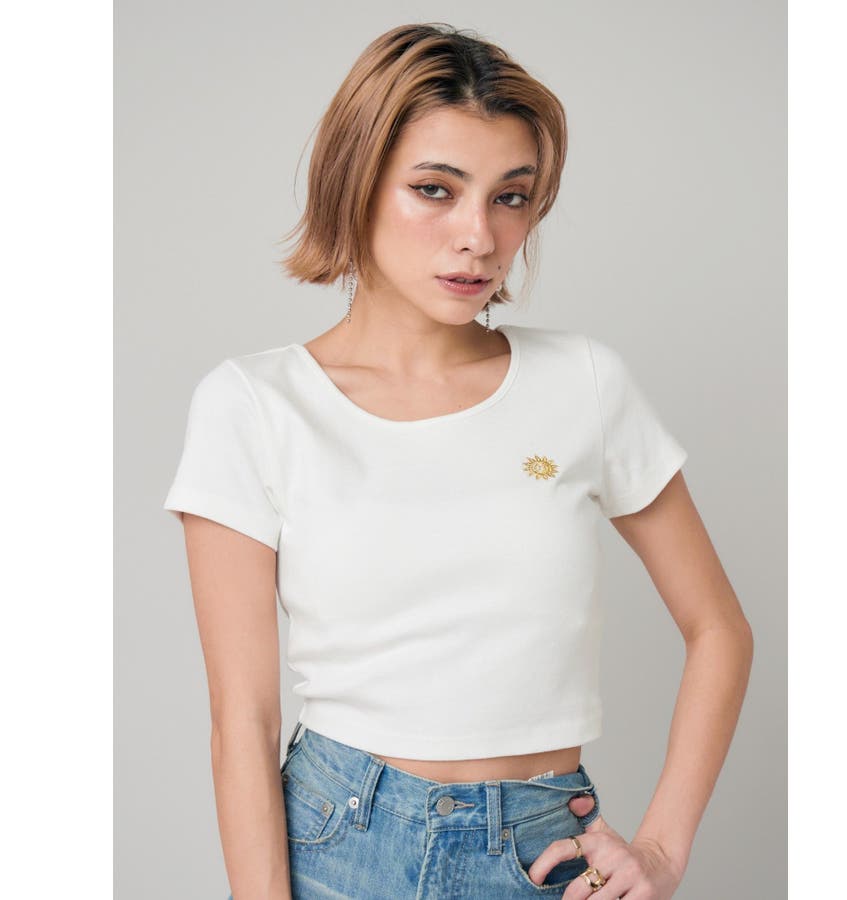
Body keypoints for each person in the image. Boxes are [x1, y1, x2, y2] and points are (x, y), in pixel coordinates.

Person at [163, 22, 753, 900]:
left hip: (542, 848)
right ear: (356, 184)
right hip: (341, 842)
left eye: (510, 196)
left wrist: (663, 848)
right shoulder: (253, 405)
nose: (478, 235)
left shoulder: (583, 383)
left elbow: (719, 629)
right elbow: (242, 722)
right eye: (435, 189)